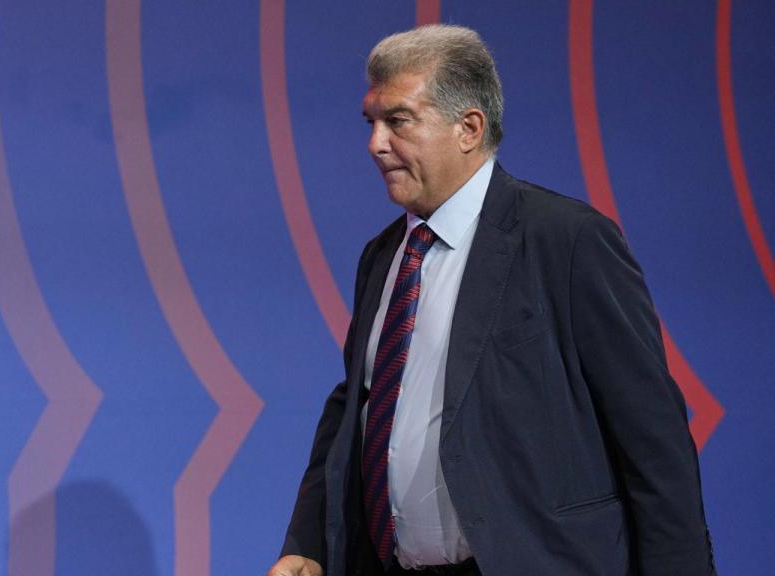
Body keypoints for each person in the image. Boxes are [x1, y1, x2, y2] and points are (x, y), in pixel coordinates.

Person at [267, 24, 715, 576]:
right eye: (372, 122)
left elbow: (652, 437)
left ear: (468, 127)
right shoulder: (383, 256)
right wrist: (308, 541)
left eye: (398, 121)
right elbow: (355, 408)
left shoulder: (566, 240)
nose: (375, 143)